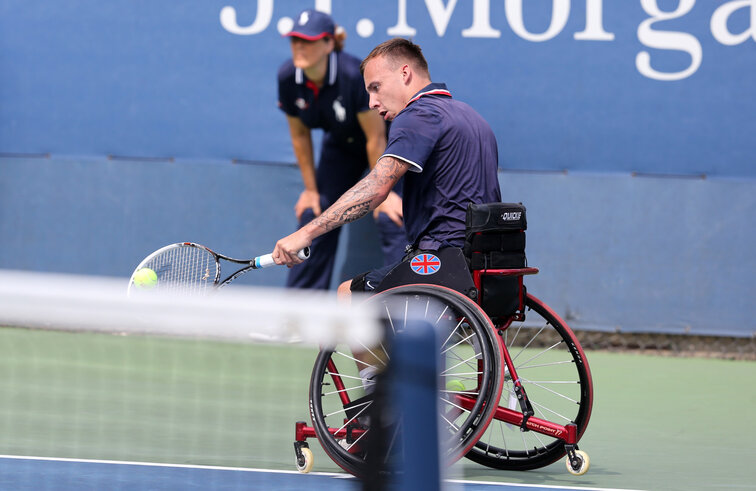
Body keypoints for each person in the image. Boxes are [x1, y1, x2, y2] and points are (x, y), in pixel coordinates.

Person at [273, 37, 501, 300]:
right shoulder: (471, 116)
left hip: (444, 261)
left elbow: (376, 188)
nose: (371, 102)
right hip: (489, 262)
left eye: (376, 87)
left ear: (405, 73)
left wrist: (305, 233)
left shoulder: (415, 115)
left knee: (348, 294)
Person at [277, 9, 407, 290]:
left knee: (391, 215)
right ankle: (299, 319)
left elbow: (374, 137)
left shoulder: (351, 75)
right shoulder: (288, 77)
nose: (299, 47)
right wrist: (311, 190)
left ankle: (409, 308)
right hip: (341, 146)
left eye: (308, 41)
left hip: (385, 147)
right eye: (295, 40)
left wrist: (382, 194)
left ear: (329, 44)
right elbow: (299, 135)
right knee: (314, 212)